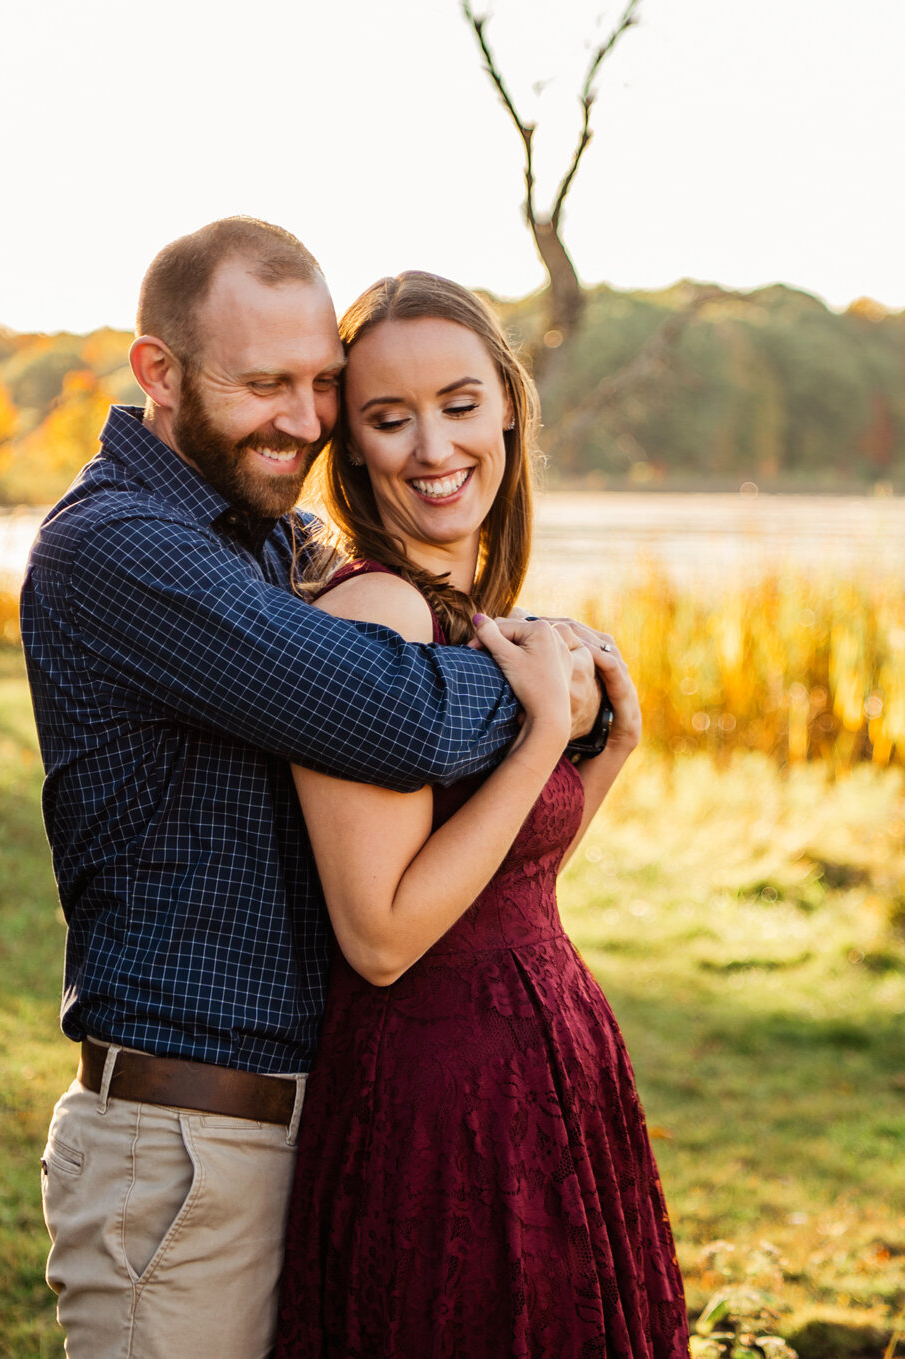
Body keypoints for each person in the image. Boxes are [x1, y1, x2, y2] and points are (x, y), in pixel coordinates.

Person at [19, 218, 610, 1358]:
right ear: (158, 373)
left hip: (315, 1129)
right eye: (261, 384)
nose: (301, 419)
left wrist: (565, 702)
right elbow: (395, 715)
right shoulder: (122, 548)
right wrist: (557, 688)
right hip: (186, 1149)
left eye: (322, 385)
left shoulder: (261, 538)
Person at [275, 272, 689, 1357]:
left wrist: (610, 752)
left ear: (507, 404)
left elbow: (507, 885)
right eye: (388, 418)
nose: (431, 446)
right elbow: (381, 936)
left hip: (550, 1073)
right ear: (351, 448)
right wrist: (547, 733)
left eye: (458, 405)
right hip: (436, 1105)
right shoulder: (375, 614)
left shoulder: (479, 619)